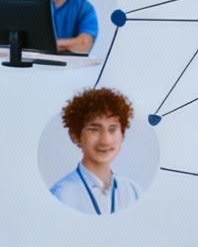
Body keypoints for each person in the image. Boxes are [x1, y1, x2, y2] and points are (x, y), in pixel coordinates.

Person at [48, 87, 142, 215]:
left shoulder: (132, 191)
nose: (105, 140)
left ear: (123, 134)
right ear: (75, 136)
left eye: (112, 129)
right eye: (94, 129)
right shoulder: (61, 194)